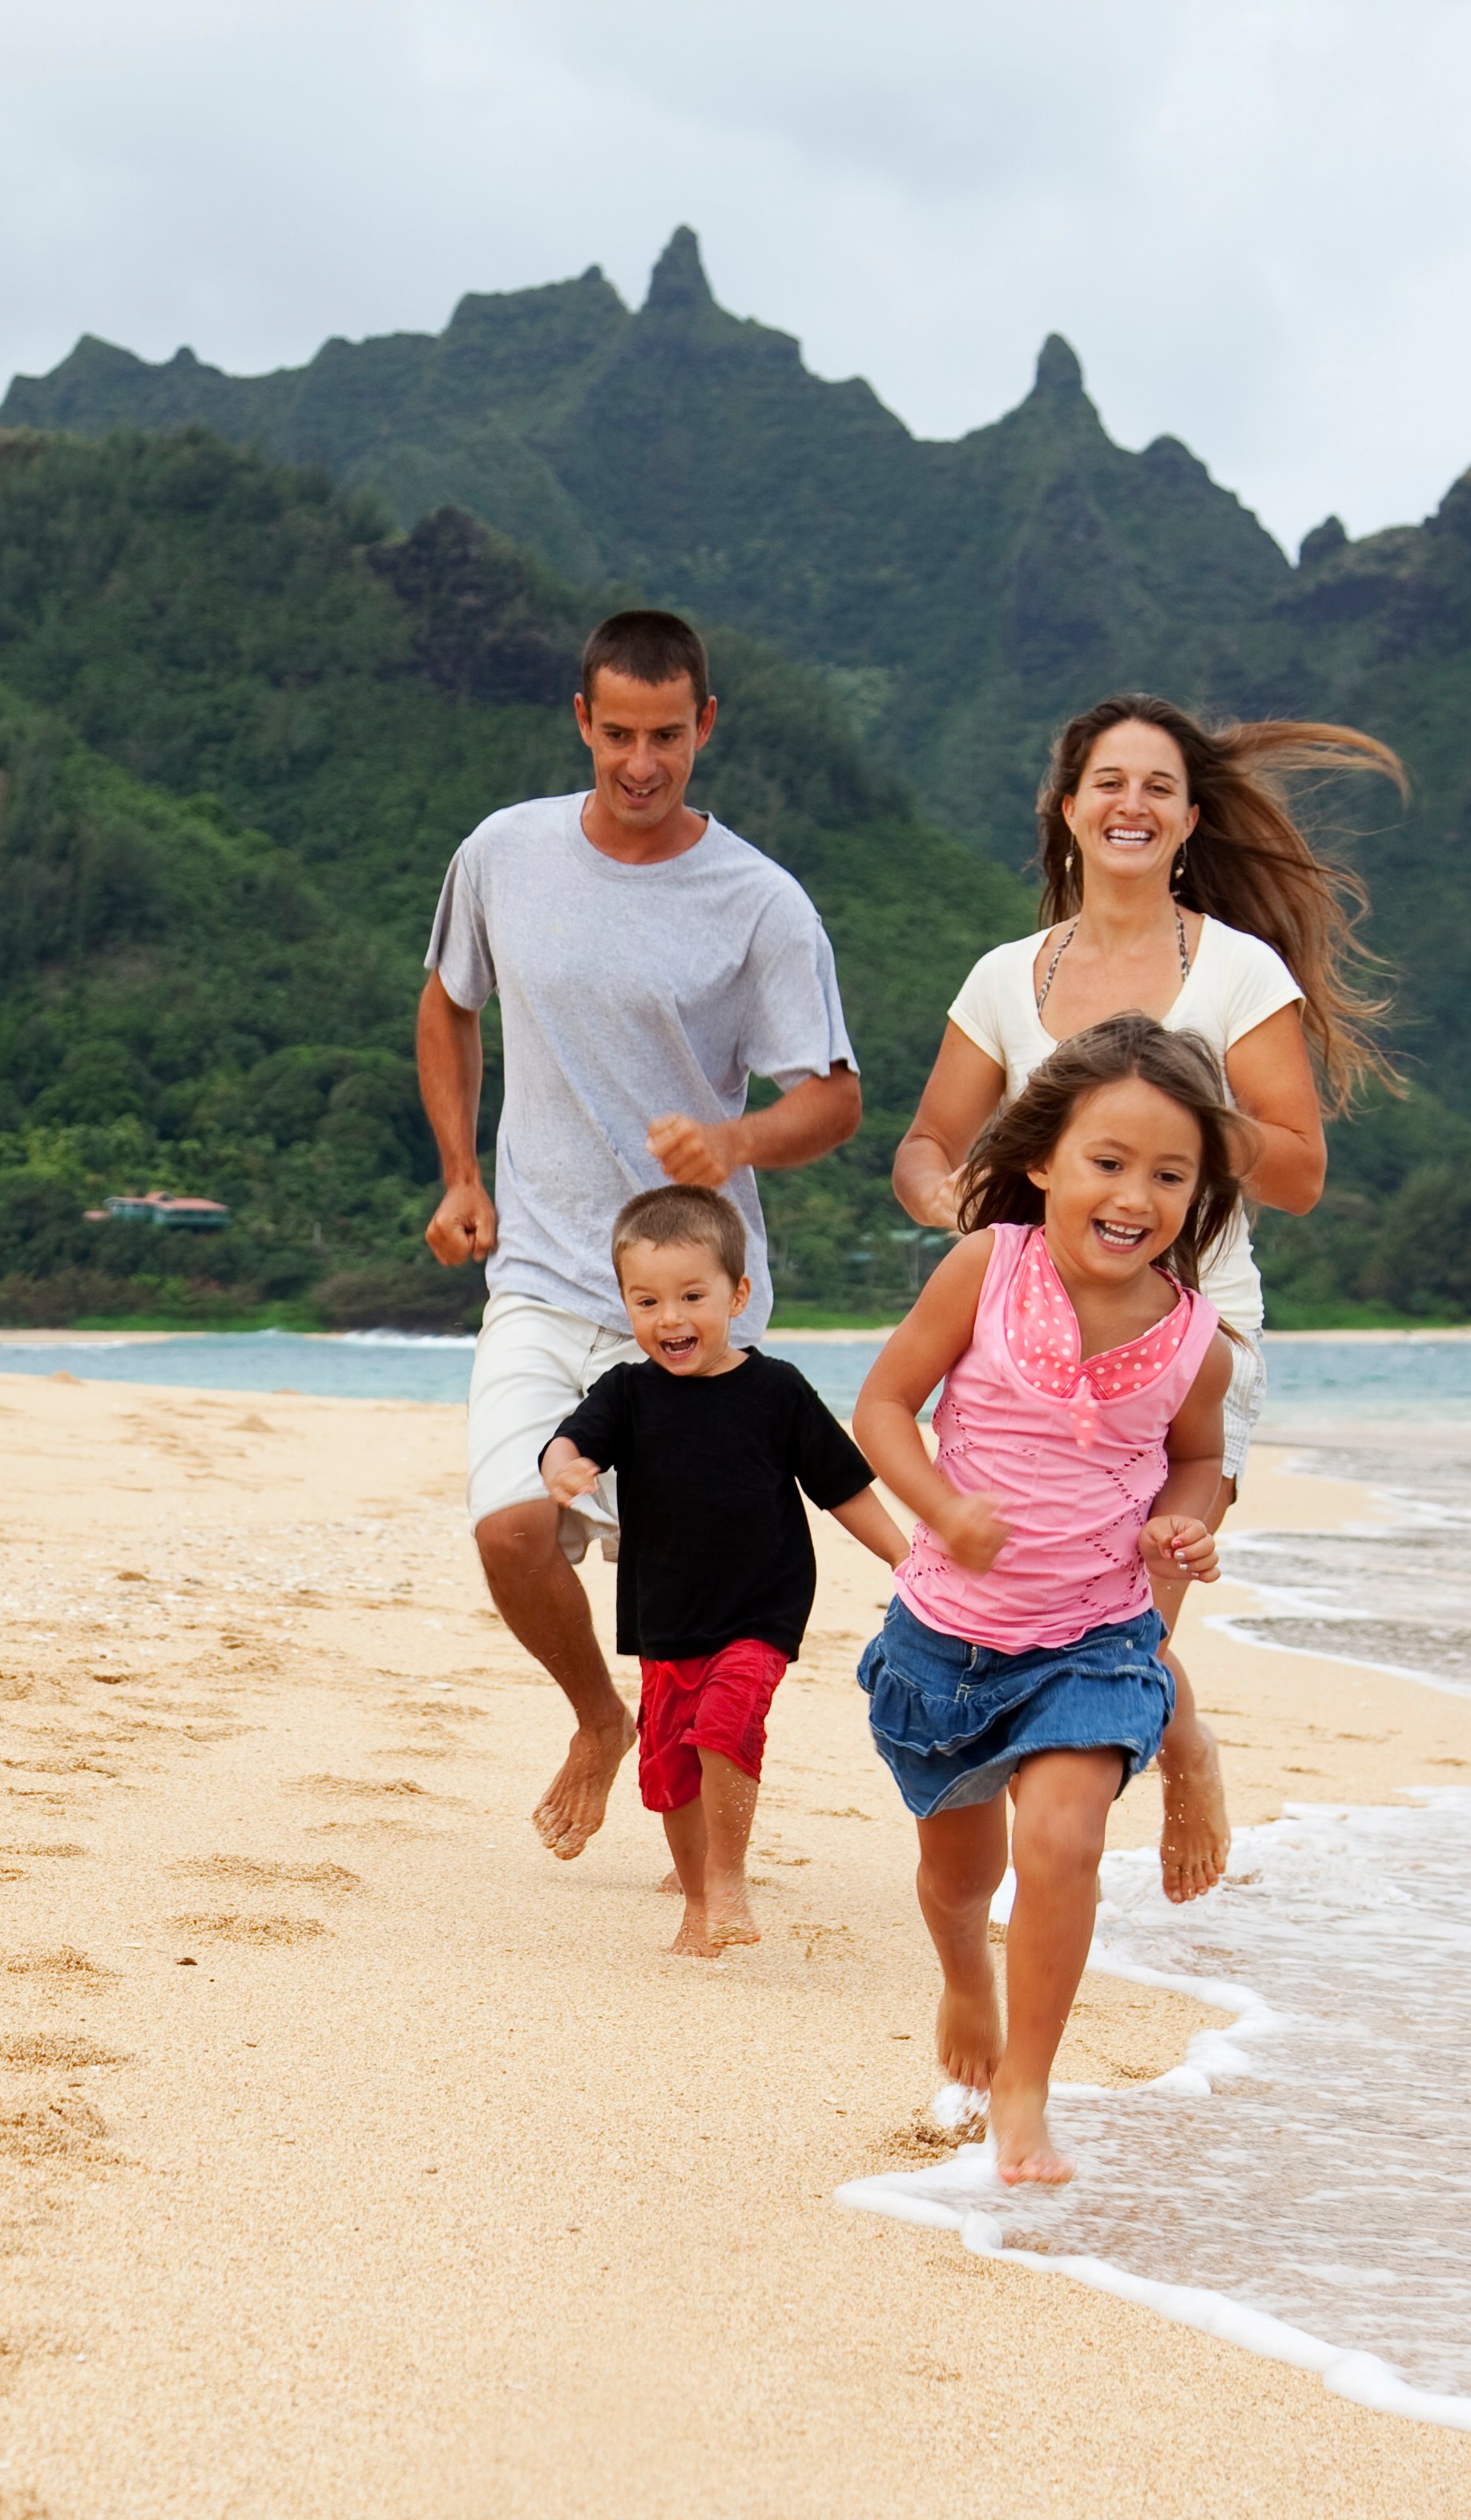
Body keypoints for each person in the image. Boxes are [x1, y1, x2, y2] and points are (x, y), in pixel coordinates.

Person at [884, 696, 1401, 1906]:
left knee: (1123, 1614)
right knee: (1033, 1595)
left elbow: (1303, 1169)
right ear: (1067, 810)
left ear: (1189, 819)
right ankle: (1135, 1762)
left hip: (1190, 1333)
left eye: (1158, 787)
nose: (1132, 804)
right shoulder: (1006, 978)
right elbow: (928, 1140)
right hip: (1025, 1343)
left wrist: (1150, 1112)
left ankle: (1120, 1799)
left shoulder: (1235, 971)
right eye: (1107, 782)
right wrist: (946, 1196)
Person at [420, 609, 863, 1862]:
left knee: (702, 1619)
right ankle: (596, 1722)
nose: (641, 763)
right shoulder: (504, 854)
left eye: (667, 736)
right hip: (547, 1280)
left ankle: (709, 1879)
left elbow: (833, 1100)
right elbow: (449, 1007)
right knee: (512, 1525)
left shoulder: (759, 903)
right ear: (581, 721)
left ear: (705, 724)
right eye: (618, 734)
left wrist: (736, 1144)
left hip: (694, 1304)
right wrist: (461, 1172)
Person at [852, 1017, 1239, 2187]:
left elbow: (1198, 1458)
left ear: (1199, 1193)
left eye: (1170, 1175)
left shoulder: (1196, 1343)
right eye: (1107, 1162)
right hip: (947, 1644)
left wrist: (1190, 1517)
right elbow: (879, 1410)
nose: (1135, 1196)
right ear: (1042, 1164)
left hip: (1093, 1638)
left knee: (1064, 1839)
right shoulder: (985, 1267)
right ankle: (966, 1973)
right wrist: (944, 1507)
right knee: (955, 1880)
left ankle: (1027, 2085)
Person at [539, 1185, 909, 1957]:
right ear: (627, 1306)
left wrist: (909, 1561)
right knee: (670, 1772)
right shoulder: (628, 1394)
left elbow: (843, 1488)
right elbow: (571, 1442)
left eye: (692, 1296)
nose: (670, 1319)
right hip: (667, 1619)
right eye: (647, 1302)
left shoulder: (777, 1392)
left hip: (760, 1609)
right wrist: (564, 1466)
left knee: (726, 1723)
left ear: (738, 1295)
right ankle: (699, 1906)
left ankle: (730, 1875)